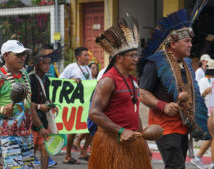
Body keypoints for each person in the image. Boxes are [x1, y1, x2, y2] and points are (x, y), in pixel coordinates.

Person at [139, 8, 211, 169]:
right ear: (173, 44)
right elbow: (142, 92)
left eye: (190, 42)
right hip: (164, 127)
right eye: (187, 41)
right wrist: (163, 105)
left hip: (182, 126)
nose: (191, 45)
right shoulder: (156, 62)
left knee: (178, 166)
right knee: (175, 166)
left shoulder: (187, 64)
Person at [88, 17, 152, 169]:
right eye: (132, 56)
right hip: (110, 142)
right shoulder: (108, 80)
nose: (136, 59)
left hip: (132, 141)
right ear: (119, 58)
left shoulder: (132, 79)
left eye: (137, 55)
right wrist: (120, 130)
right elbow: (94, 113)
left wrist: (143, 141)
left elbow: (134, 112)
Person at [0, 39, 49, 169]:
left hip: (27, 134)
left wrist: (40, 127)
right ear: (6, 55)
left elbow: (27, 104)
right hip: (8, 135)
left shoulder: (24, 74)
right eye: (18, 55)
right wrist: (1, 109)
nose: (23, 58)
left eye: (24, 54)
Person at [59, 47, 92, 164]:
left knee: (91, 127)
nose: (88, 57)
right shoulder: (71, 67)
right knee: (72, 130)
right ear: (78, 57)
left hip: (85, 103)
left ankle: (83, 152)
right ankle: (67, 156)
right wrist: (72, 80)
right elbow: (60, 80)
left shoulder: (87, 69)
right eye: (85, 55)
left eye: (88, 55)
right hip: (74, 103)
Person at [29, 53, 59, 169]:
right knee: (31, 150)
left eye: (49, 63)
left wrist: (51, 105)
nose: (47, 66)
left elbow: (45, 97)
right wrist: (39, 107)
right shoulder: (30, 80)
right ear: (37, 65)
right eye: (44, 63)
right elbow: (26, 102)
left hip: (44, 118)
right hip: (32, 119)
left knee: (45, 147)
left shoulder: (46, 80)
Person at [191, 60, 214, 169]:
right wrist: (205, 93)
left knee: (211, 138)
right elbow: (198, 97)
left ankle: (198, 158)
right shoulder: (204, 81)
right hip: (208, 113)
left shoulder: (208, 81)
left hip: (210, 113)